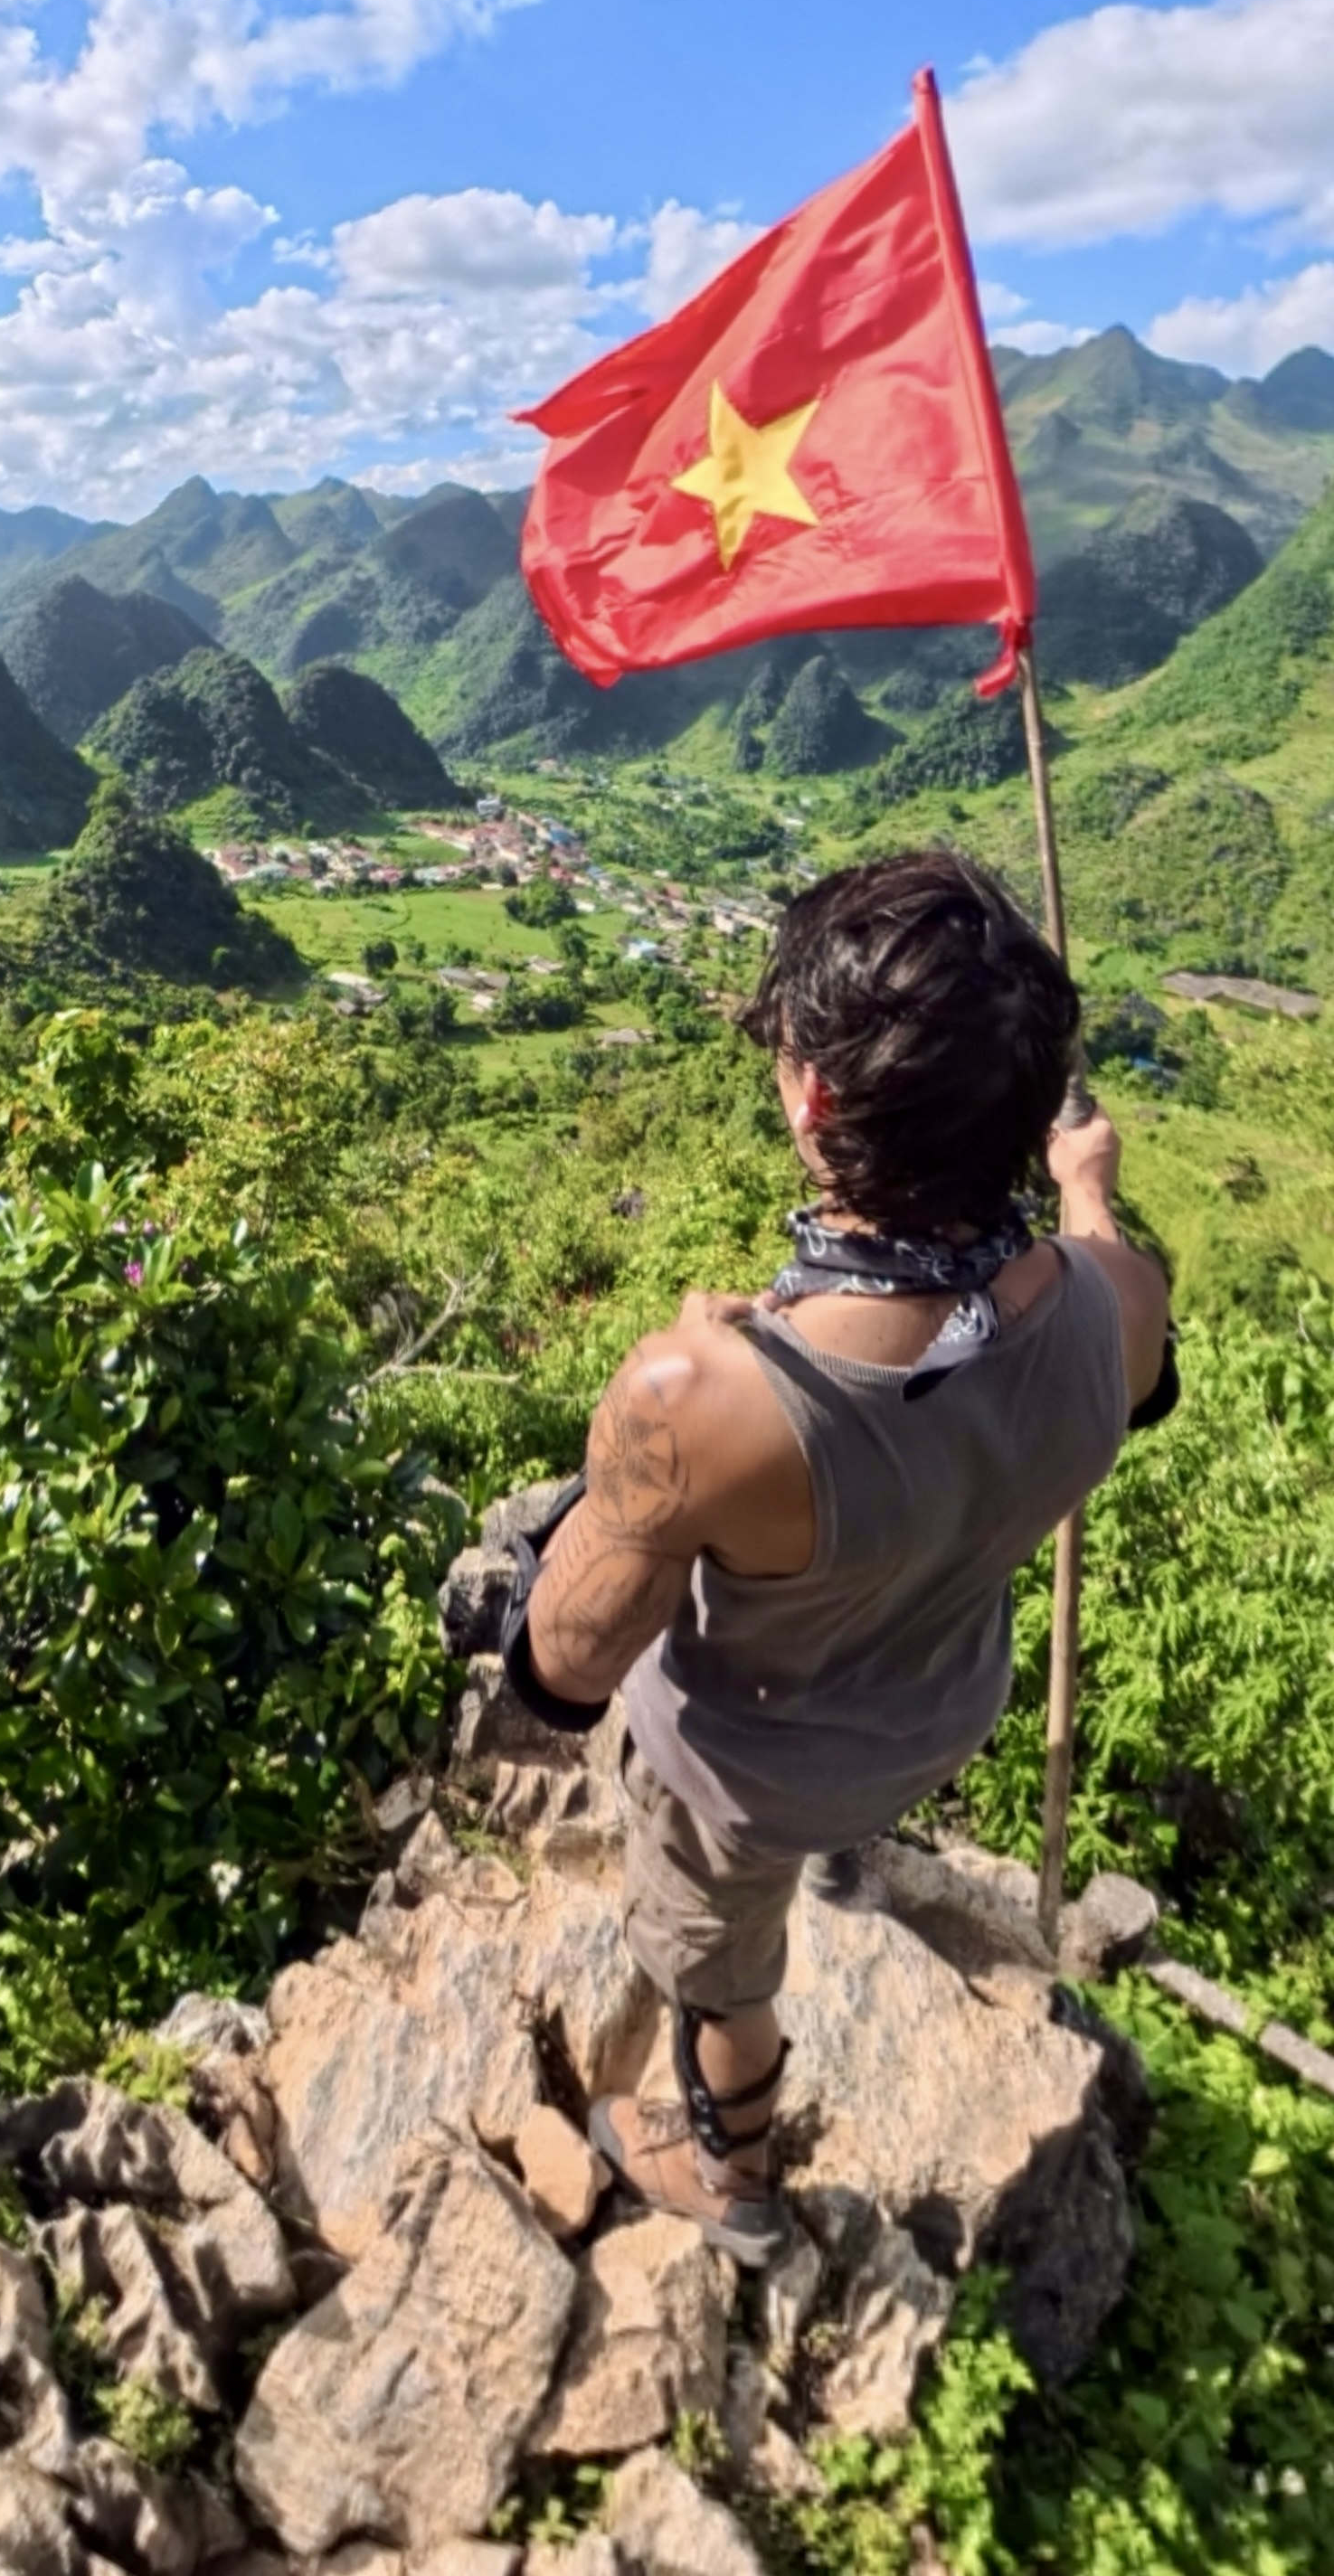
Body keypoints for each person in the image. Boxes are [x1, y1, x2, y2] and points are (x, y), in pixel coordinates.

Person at [510, 846, 1170, 2267]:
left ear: (812, 1097)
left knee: (720, 1974)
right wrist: (1088, 1188)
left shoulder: (703, 1399)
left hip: (745, 1782)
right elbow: (1104, 1295)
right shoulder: (1116, 1311)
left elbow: (559, 1671)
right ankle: (847, 1864)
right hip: (937, 1714)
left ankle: (732, 2183)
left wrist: (675, 1400)